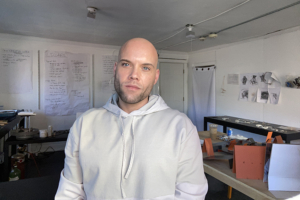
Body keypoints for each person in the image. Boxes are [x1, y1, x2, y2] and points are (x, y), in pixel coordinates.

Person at [55, 38, 208, 200]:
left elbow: (191, 195)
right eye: (126, 64)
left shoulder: (181, 127)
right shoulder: (84, 124)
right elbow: (70, 192)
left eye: (145, 68)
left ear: (155, 77)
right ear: (115, 69)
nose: (134, 75)